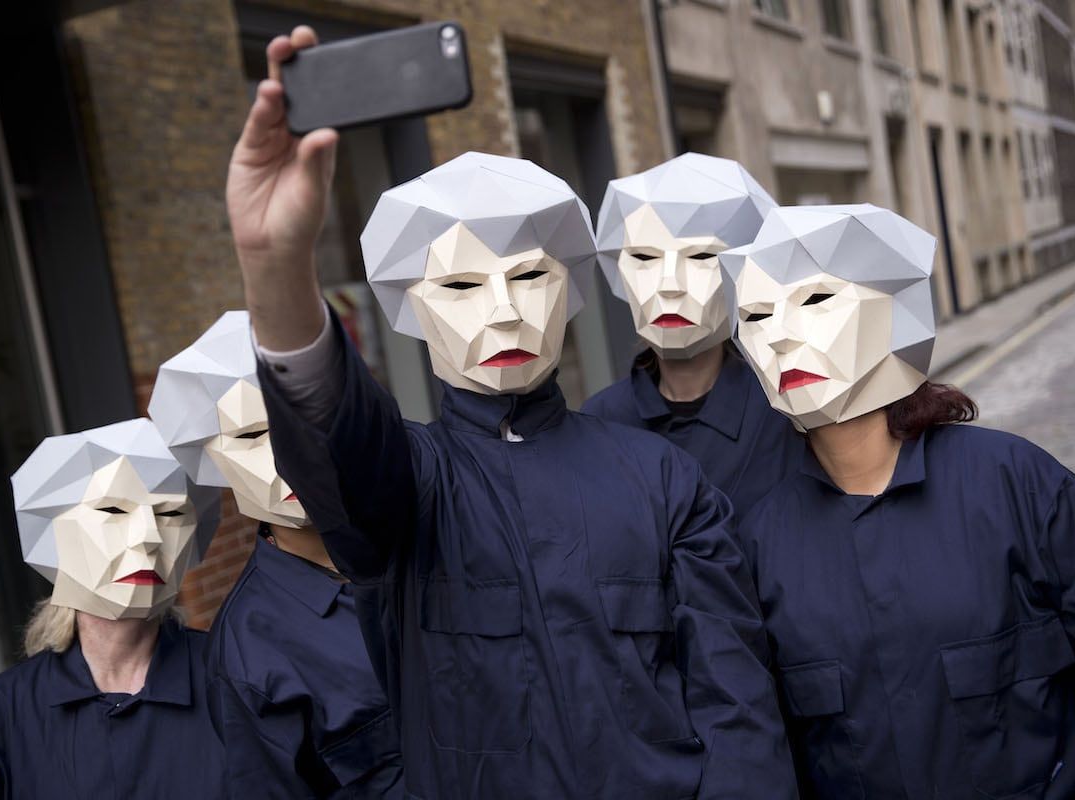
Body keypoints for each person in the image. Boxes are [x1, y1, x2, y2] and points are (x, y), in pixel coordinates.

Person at [225, 26, 796, 799]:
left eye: (528, 277)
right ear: (412, 309)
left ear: (570, 288)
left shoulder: (662, 477)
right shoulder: (408, 487)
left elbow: (737, 709)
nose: (502, 313)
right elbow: (335, 439)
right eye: (461, 286)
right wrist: (276, 265)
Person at [720, 203, 1075, 797]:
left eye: (815, 301)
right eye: (755, 314)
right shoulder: (760, 544)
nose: (779, 333)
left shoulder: (1020, 486)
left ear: (894, 310)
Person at [149, 310, 402, 799]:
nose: (286, 457)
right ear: (213, 460)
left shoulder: (439, 536)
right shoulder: (250, 649)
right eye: (249, 437)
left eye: (300, 421)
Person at [0, 419, 224, 799]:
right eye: (113, 510)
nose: (148, 539)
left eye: (169, 514)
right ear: (53, 532)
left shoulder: (235, 679)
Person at [583, 154, 801, 520]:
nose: (669, 285)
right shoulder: (596, 424)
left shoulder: (787, 413)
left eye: (701, 257)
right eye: (644, 257)